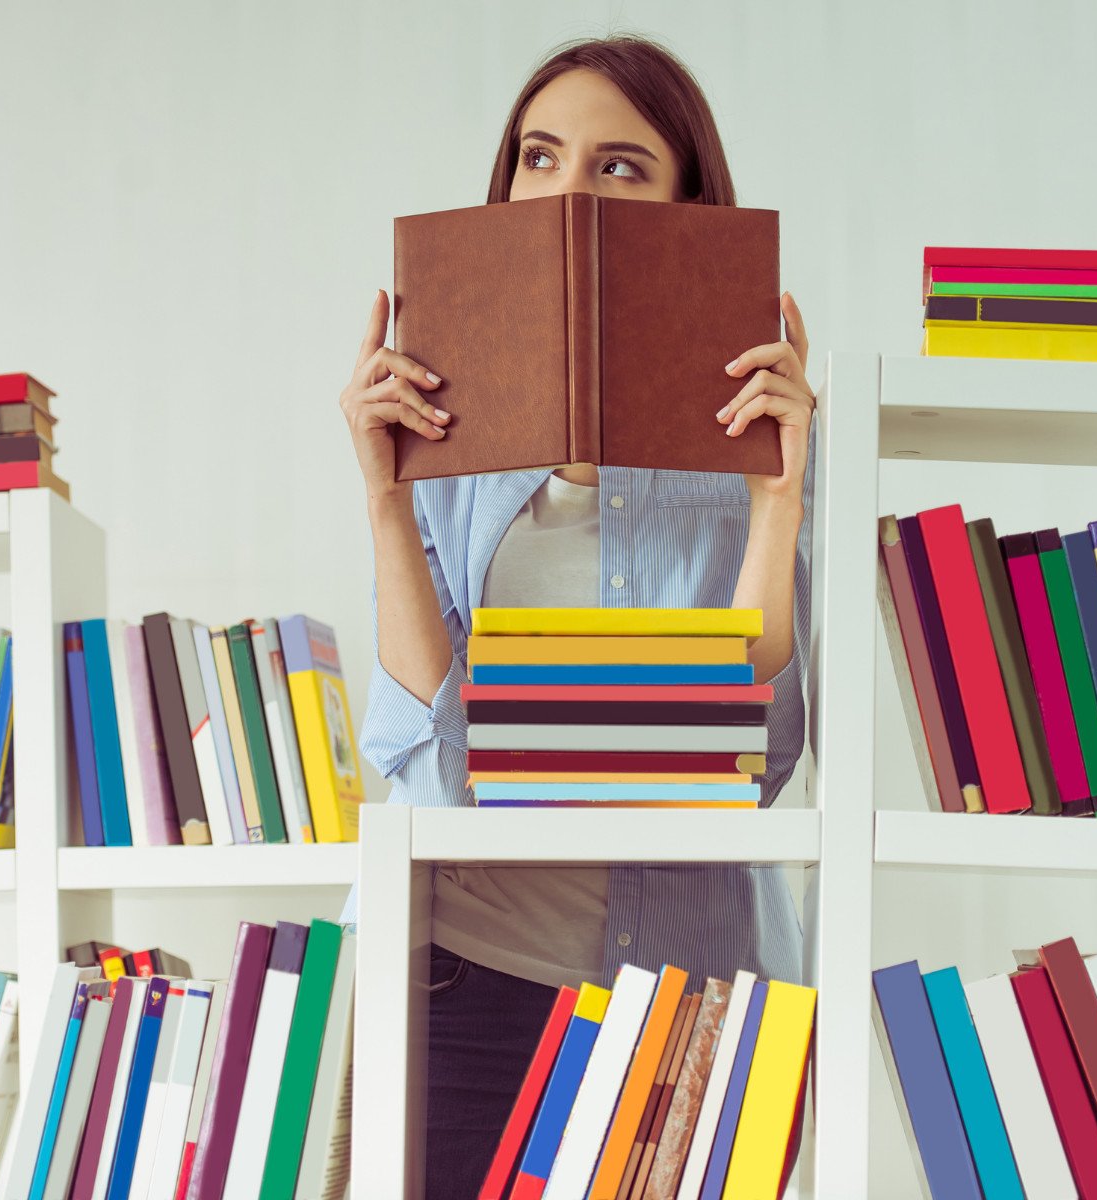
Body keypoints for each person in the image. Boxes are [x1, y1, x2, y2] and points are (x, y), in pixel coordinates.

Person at [340, 32, 816, 1199]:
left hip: (683, 988)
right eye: (539, 157)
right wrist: (385, 498)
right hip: (460, 977)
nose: (565, 190)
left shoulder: (755, 440)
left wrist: (777, 501)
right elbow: (424, 746)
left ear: (687, 205)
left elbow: (752, 759)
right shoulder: (449, 447)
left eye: (618, 166)